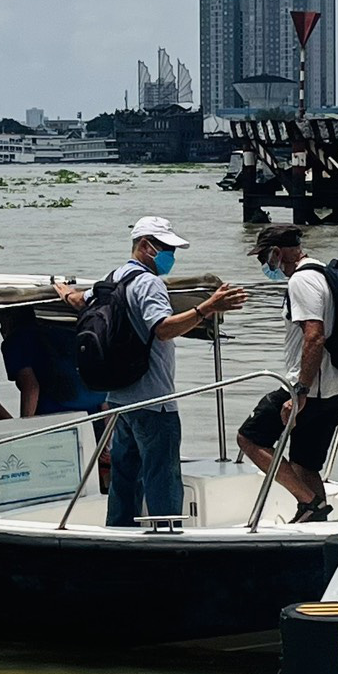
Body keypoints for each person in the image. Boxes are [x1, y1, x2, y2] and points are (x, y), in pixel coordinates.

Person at [60, 215, 246, 527]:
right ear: (146, 246)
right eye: (167, 249)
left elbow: (81, 301)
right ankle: (167, 534)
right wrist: (207, 307)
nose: (171, 256)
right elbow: (163, 328)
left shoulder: (113, 277)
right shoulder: (149, 284)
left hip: (120, 398)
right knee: (162, 474)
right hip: (155, 400)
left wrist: (63, 291)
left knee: (124, 475)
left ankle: (119, 531)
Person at [237, 223, 338, 523]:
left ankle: (310, 503)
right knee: (305, 463)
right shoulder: (324, 272)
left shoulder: (301, 281)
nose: (263, 265)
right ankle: (315, 521)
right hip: (337, 386)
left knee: (249, 439)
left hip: (309, 389)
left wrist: (300, 391)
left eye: (263, 257)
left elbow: (314, 336)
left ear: (277, 253)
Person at [0, 307, 94, 416]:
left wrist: (25, 422)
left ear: (8, 319)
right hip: (92, 410)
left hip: (55, 414)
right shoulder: (60, 332)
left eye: (0, 322)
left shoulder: (15, 341)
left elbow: (31, 387)